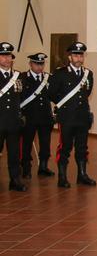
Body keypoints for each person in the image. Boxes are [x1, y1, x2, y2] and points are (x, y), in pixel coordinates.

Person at [48, 41, 96, 188]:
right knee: (65, 147)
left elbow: (86, 93)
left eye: (81, 55)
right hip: (67, 117)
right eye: (76, 55)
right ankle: (62, 177)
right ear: (70, 57)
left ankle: (82, 175)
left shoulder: (88, 74)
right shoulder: (60, 73)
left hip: (82, 117)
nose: (79, 58)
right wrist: (65, 107)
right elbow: (51, 94)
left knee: (82, 148)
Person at [19, 53, 55, 178]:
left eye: (42, 64)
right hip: (29, 117)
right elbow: (18, 98)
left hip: (45, 117)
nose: (40, 67)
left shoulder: (48, 78)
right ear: (30, 64)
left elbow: (54, 95)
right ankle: (26, 168)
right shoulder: (22, 78)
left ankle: (43, 167)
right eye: (37, 64)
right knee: (27, 144)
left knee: (45, 144)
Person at [0, 42, 26, 191]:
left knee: (14, 153)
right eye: (3, 56)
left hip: (13, 122)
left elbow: (21, 97)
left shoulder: (18, 76)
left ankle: (15, 179)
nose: (7, 59)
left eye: (9, 55)